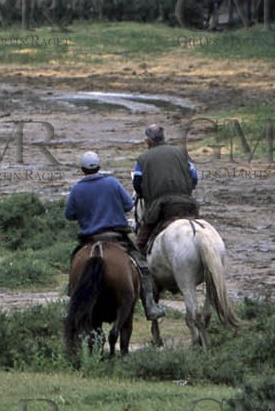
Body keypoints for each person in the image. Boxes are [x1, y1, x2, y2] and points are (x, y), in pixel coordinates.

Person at [65, 150, 165, 320]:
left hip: (89, 239)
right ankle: (150, 305)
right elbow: (128, 205)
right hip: (117, 237)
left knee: (75, 262)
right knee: (142, 266)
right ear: (99, 167)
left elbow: (69, 215)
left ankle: (71, 303)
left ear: (82, 169)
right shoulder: (112, 183)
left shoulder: (77, 188)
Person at [133, 124, 200, 259]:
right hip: (187, 203)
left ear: (148, 141)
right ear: (164, 138)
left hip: (160, 206)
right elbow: (194, 177)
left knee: (140, 243)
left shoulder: (142, 159)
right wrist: (187, 192)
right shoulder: (182, 153)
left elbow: (137, 183)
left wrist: (144, 194)